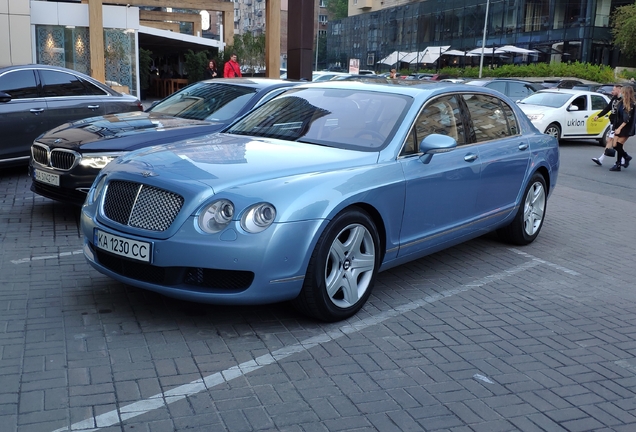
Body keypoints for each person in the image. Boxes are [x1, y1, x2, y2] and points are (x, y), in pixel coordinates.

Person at [592, 84, 626, 166]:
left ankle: (603, 159)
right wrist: (599, 115)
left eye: (613, 90)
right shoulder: (614, 99)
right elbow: (607, 108)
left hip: (618, 124)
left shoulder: (623, 100)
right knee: (615, 142)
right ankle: (623, 159)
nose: (612, 91)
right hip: (613, 123)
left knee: (614, 141)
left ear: (618, 90)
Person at [609, 85, 636, 171]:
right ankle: (626, 157)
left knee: (619, 145)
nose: (621, 93)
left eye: (622, 92)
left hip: (625, 126)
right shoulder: (621, 101)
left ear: (626, 93)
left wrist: (619, 128)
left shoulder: (631, 104)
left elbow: (627, 119)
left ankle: (618, 164)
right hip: (618, 125)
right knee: (615, 145)